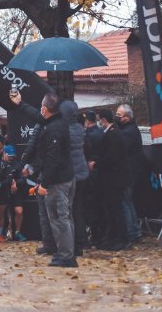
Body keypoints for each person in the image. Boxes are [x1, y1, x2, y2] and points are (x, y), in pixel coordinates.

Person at [13, 91, 76, 267]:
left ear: (45, 109)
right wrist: (20, 103)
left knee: (59, 218)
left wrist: (44, 184)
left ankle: (66, 256)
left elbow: (53, 160)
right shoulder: (57, 121)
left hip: (57, 181)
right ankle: (66, 252)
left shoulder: (53, 129)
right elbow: (37, 116)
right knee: (65, 217)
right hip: (65, 177)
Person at [91, 109, 130, 251]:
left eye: (99, 120)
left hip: (114, 178)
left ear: (103, 120)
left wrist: (96, 164)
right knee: (111, 209)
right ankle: (113, 237)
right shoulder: (113, 133)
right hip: (112, 178)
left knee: (116, 209)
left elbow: (111, 158)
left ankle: (122, 238)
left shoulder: (113, 135)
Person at [60, 101, 90, 256]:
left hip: (70, 175)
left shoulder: (65, 131)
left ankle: (74, 243)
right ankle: (82, 240)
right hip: (83, 173)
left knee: (69, 212)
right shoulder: (80, 129)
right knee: (79, 210)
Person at [115, 104, 144, 243]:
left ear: (127, 117)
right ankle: (135, 231)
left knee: (125, 202)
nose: (116, 117)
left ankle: (131, 232)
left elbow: (121, 149)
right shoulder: (131, 129)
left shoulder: (128, 132)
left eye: (119, 115)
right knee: (128, 201)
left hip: (128, 172)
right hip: (132, 171)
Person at [83, 110, 105, 246]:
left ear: (87, 122)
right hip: (100, 170)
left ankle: (95, 235)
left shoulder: (87, 136)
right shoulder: (102, 132)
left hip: (90, 170)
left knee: (91, 205)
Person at [3, 144, 28, 241]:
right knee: (3, 212)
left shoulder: (18, 165)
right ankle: (4, 232)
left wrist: (15, 183)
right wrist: (9, 183)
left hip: (16, 192)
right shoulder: (0, 163)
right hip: (3, 191)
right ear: (4, 154)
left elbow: (23, 179)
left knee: (19, 211)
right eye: (9, 156)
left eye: (12, 156)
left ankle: (17, 232)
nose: (11, 158)